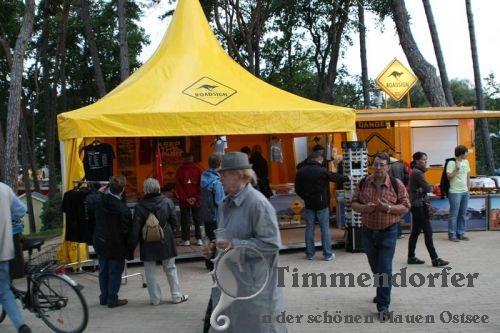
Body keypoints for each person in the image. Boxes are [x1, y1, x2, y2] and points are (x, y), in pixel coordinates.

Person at [208, 152, 287, 333]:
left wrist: (235, 246)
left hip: (253, 288)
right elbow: (226, 238)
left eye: (224, 175)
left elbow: (272, 244)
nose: (220, 179)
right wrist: (214, 247)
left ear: (241, 175)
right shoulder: (225, 204)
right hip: (232, 286)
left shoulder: (258, 203)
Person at [351, 152, 410, 319]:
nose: (378, 168)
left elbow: (406, 206)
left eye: (381, 165)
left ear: (388, 167)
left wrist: (389, 208)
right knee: (376, 268)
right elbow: (353, 202)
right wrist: (363, 208)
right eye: (375, 164)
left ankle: (383, 305)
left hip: (388, 232)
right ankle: (381, 291)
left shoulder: (396, 185)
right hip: (368, 233)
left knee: (384, 269)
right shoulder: (363, 183)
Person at [133, 178, 188, 305]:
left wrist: (132, 244)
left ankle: (155, 299)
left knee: (149, 272)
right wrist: (170, 233)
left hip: (147, 241)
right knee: (170, 269)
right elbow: (175, 223)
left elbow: (136, 228)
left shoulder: (140, 206)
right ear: (158, 188)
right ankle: (176, 296)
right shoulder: (167, 202)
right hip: (166, 239)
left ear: (145, 190)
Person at [86, 175, 134, 308]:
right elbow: (126, 230)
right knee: (114, 271)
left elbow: (88, 200)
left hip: (100, 240)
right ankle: (112, 298)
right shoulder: (123, 209)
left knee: (103, 269)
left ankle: (104, 297)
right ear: (123, 189)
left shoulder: (99, 200)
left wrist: (98, 191)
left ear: (108, 187)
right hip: (116, 244)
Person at [295, 150, 349, 261]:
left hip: (309, 204)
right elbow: (335, 177)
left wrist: (305, 197)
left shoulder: (301, 171)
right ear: (320, 159)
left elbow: (297, 189)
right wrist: (348, 178)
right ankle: (327, 254)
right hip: (322, 204)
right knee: (325, 229)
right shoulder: (322, 171)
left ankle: (310, 253)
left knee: (309, 228)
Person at [407, 152, 449, 267]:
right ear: (416, 161)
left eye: (426, 159)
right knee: (428, 232)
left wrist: (424, 188)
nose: (425, 161)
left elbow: (424, 188)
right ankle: (435, 259)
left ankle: (411, 256)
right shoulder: (417, 173)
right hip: (419, 205)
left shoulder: (416, 172)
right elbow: (428, 188)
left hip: (416, 205)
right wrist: (427, 188)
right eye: (423, 159)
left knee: (415, 232)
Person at [0, 182, 32, 333]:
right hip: (5, 249)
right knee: (4, 288)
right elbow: (21, 210)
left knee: (4, 290)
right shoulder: (5, 189)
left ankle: (21, 325)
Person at [200, 153, 225, 269]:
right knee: (216, 239)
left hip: (206, 214)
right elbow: (220, 201)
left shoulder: (204, 177)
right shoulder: (216, 182)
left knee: (208, 238)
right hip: (216, 215)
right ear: (219, 164)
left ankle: (208, 262)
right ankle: (215, 263)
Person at [175, 152, 203, 246]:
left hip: (184, 201)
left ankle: (186, 240)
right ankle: (199, 239)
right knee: (198, 220)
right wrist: (195, 197)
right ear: (192, 158)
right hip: (197, 200)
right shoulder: (198, 169)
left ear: (184, 159)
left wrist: (186, 198)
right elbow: (201, 186)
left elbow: (178, 186)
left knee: (185, 220)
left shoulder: (180, 170)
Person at [446, 145, 471, 242]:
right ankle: (452, 235)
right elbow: (449, 177)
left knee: (463, 214)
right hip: (455, 192)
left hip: (464, 192)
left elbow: (468, 176)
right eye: (466, 152)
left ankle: (460, 233)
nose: (467, 154)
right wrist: (457, 168)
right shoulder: (451, 163)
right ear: (462, 153)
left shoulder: (466, 162)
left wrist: (468, 189)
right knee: (454, 214)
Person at [389, 155, 410, 239]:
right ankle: (399, 233)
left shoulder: (389, 166)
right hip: (400, 189)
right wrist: (403, 186)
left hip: (391, 191)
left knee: (393, 212)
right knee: (397, 212)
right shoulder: (401, 165)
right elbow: (407, 177)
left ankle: (396, 233)